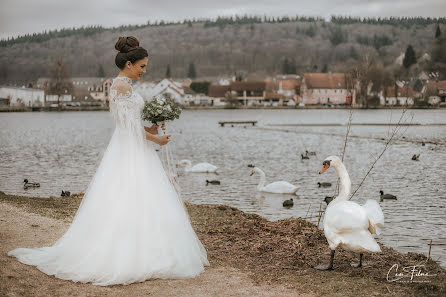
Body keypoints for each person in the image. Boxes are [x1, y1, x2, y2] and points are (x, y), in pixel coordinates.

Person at [8, 36, 209, 286]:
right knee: (128, 194)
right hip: (129, 149)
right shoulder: (121, 88)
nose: (145, 71)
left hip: (134, 147)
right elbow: (127, 127)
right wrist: (155, 140)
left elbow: (133, 124)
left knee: (142, 196)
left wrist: (151, 128)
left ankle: (146, 247)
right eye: (142, 66)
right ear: (128, 65)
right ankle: (128, 253)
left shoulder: (125, 87)